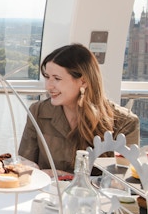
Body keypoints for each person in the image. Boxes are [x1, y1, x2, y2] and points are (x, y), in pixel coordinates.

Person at [18, 43, 140, 175]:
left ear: (83, 81)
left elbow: (122, 183)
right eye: (47, 77)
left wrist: (65, 177)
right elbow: (24, 165)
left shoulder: (126, 122)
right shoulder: (38, 111)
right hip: (47, 194)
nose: (48, 86)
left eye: (57, 79)